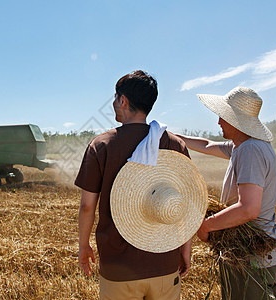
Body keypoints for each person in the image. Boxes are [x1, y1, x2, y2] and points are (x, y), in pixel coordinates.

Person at [75, 70, 194, 299]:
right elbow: (186, 205)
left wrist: (83, 246)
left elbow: (87, 206)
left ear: (123, 100)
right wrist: (185, 249)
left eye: (115, 98)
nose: (113, 103)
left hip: (118, 268)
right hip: (165, 263)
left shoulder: (101, 145)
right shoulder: (174, 144)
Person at [177, 86, 276, 300]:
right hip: (264, 256)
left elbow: (249, 209)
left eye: (222, 117)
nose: (218, 122)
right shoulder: (242, 146)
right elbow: (206, 145)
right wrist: (169, 135)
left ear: (235, 120)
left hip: (251, 261)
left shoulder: (250, 150)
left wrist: (206, 225)